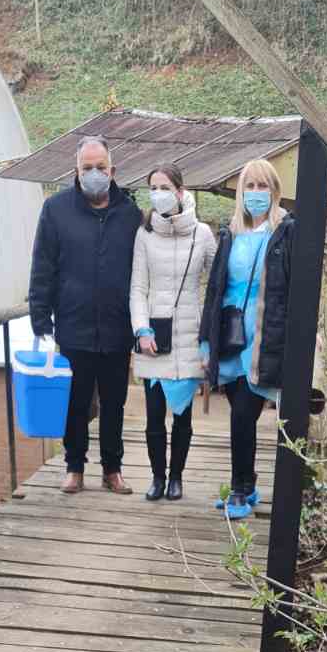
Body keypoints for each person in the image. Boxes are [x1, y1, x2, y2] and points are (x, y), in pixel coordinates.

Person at [28, 136, 141, 494]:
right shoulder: (56, 210)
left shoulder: (130, 214)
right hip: (73, 324)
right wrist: (40, 317)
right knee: (75, 401)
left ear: (112, 170)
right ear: (75, 171)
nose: (94, 173)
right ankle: (74, 466)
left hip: (117, 326)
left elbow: (142, 273)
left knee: (114, 403)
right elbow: (42, 266)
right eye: (87, 167)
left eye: (100, 167)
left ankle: (112, 468)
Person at [199, 158, 294, 519]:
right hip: (230, 333)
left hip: (263, 334)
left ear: (274, 190)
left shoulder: (285, 231)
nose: (256, 193)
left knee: (243, 413)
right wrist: (206, 341)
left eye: (262, 186)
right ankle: (246, 485)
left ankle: (239, 490)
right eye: (250, 186)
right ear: (241, 192)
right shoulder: (231, 233)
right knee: (238, 416)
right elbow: (215, 289)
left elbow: (295, 285)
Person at [130, 166, 216, 502]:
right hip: (155, 337)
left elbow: (219, 281)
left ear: (180, 191)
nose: (158, 194)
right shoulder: (145, 234)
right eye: (153, 187)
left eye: (164, 187)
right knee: (154, 417)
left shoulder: (202, 234)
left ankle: (177, 477)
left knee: (182, 415)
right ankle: (157, 477)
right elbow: (138, 288)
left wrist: (209, 331)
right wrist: (142, 329)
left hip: (189, 337)